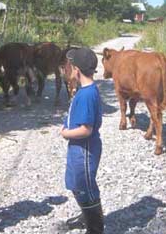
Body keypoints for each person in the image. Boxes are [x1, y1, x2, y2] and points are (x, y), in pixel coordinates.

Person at [61, 47, 104, 233]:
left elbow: (86, 129)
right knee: (75, 183)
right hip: (77, 149)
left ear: (76, 70)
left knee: (84, 185)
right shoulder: (84, 90)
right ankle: (86, 214)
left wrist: (65, 133)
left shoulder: (87, 94)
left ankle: (95, 226)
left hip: (84, 150)